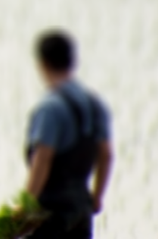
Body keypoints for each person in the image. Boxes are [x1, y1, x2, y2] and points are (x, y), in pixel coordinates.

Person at [21, 29, 114, 238]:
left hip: (52, 211)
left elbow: (42, 159)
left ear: (42, 64)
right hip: (81, 209)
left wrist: (26, 205)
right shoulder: (95, 104)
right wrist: (97, 197)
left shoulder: (50, 108)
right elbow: (106, 154)